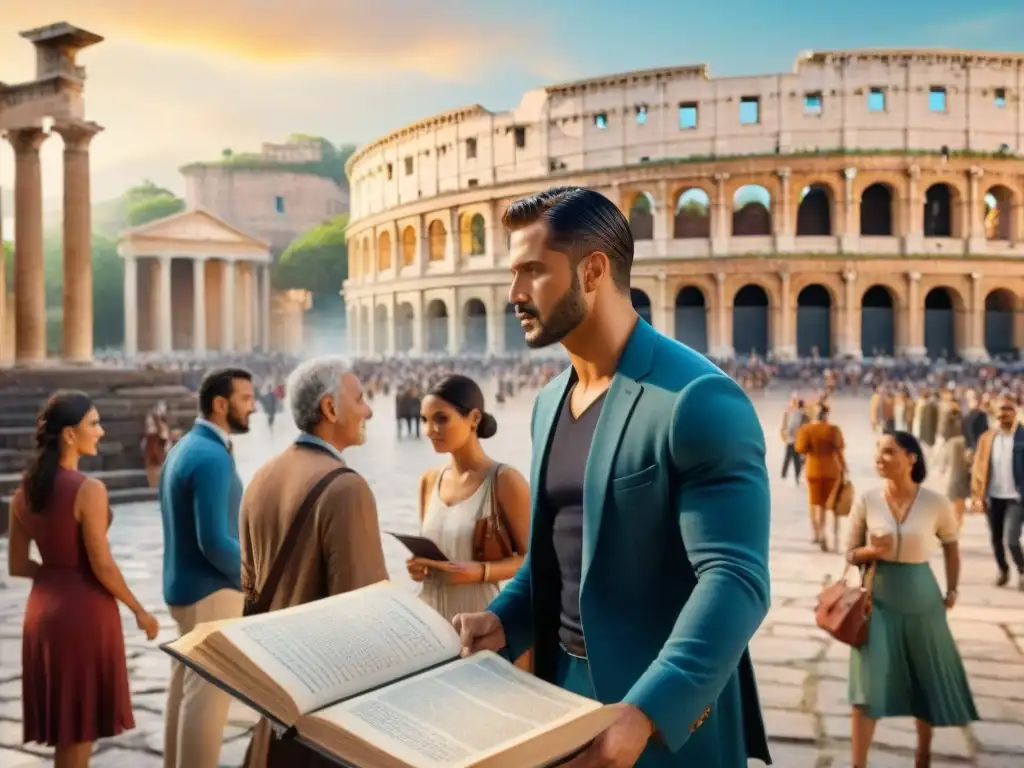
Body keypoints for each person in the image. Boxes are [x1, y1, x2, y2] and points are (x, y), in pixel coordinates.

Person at [452, 186, 771, 767]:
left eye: (532, 272)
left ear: (592, 270)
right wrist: (505, 620)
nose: (514, 294)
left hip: (661, 717)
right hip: (558, 695)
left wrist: (647, 710)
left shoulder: (696, 399)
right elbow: (559, 550)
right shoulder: (551, 401)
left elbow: (735, 579)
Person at [240, 356, 388, 768]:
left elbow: (249, 589)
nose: (369, 410)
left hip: (278, 690)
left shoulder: (262, 477)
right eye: (359, 399)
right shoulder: (346, 488)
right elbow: (366, 612)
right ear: (329, 409)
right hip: (328, 702)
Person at [8, 391, 159, 768]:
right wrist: (140, 610)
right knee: (79, 729)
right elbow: (102, 565)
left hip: (42, 611)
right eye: (93, 423)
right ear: (70, 435)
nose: (101, 431)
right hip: (83, 615)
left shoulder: (23, 493)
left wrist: (55, 574)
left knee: (67, 729)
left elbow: (16, 565)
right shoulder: (88, 490)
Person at [845, 430, 978, 767]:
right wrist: (872, 550)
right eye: (878, 451)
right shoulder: (867, 499)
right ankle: (857, 763)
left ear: (912, 457)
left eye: (889, 452)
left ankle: (923, 755)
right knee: (866, 686)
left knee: (925, 678)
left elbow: (951, 547)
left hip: (922, 599)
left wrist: (952, 589)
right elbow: (850, 554)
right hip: (877, 601)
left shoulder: (936, 502)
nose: (880, 458)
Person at [160, 367, 255, 768]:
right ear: (221, 404)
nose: (253, 407)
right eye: (246, 399)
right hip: (211, 591)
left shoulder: (183, 446)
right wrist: (252, 577)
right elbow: (214, 540)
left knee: (184, 689)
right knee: (208, 700)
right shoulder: (212, 456)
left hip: (181, 586)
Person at [409, 374, 531, 621]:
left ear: (474, 418)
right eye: (425, 420)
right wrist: (418, 567)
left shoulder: (504, 480)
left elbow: (535, 561)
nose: (429, 430)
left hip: (482, 621)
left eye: (441, 419)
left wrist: (480, 571)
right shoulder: (429, 481)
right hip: (431, 623)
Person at [970, 393, 1024, 590]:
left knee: (1011, 539)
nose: (1004, 414)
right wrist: (977, 496)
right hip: (993, 497)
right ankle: (1003, 570)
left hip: (1016, 498)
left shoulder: (1022, 437)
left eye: (1008, 409)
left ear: (1015, 412)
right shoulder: (987, 438)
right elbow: (978, 468)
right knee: (995, 538)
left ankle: (1021, 568)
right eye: (1001, 410)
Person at [795, 403, 845, 551]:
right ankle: (828, 533)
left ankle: (817, 533)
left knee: (814, 503)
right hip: (831, 469)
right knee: (826, 504)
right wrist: (844, 468)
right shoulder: (833, 430)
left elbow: (800, 448)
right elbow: (840, 448)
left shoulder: (806, 429)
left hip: (813, 469)